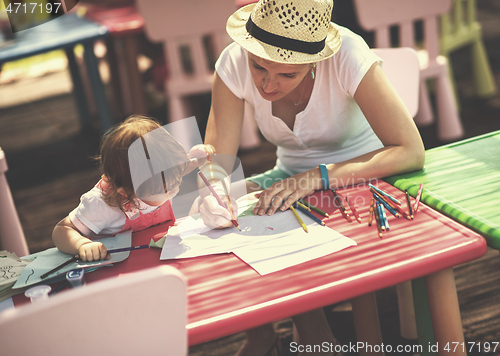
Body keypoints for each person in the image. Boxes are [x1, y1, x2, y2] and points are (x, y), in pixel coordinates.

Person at [198, 0, 425, 355]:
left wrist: (318, 176)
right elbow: (218, 160)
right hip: (288, 174)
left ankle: (314, 335)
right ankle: (260, 333)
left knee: (278, 220)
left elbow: (410, 150)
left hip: (363, 176)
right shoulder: (232, 60)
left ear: (317, 61)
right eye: (258, 66)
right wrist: (214, 189)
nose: (268, 85)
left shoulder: (347, 53)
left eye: (287, 74)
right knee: (205, 215)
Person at [52, 115, 214, 262]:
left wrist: (195, 160)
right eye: (164, 189)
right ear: (126, 191)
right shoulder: (101, 205)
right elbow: (62, 229)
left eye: (174, 182)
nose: (174, 190)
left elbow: (174, 173)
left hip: (161, 255)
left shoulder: (160, 178)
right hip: (120, 265)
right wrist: (82, 245)